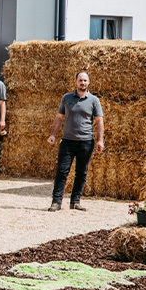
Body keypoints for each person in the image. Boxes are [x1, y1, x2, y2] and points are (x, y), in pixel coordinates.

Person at [46, 72, 104, 212]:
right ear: (75, 82)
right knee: (62, 171)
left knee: (81, 172)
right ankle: (56, 201)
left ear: (88, 82)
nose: (82, 83)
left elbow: (99, 121)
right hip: (67, 141)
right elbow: (59, 117)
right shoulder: (66, 98)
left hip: (86, 142)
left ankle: (75, 201)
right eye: (80, 80)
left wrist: (100, 140)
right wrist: (52, 134)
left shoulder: (94, 100)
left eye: (85, 80)